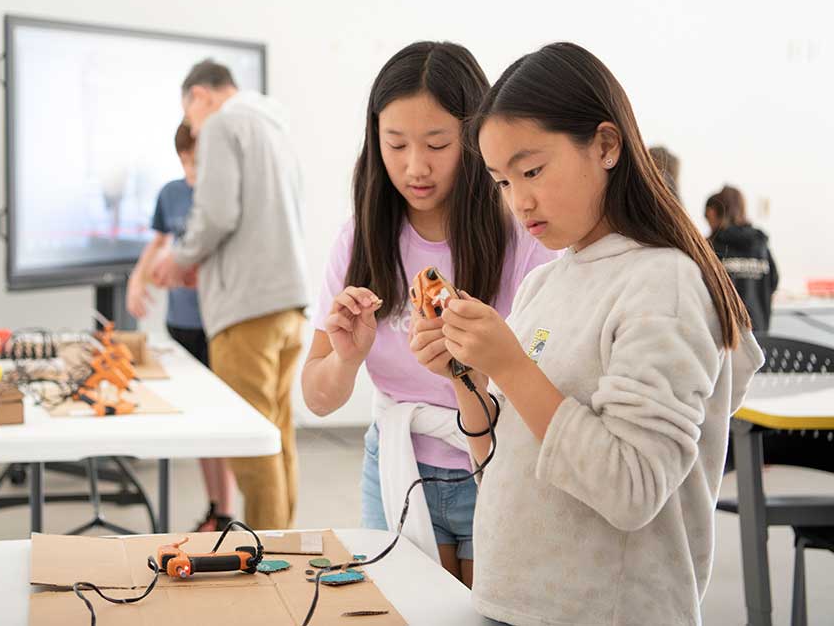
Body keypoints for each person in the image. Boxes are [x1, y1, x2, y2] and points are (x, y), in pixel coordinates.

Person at [410, 42, 763, 625]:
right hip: (513, 605)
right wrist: (469, 377)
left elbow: (632, 488)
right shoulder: (543, 285)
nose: (518, 201)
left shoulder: (664, 282)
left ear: (605, 145)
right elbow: (501, 470)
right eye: (501, 181)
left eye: (532, 171)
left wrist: (514, 368)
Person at [300, 42, 557, 586]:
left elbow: (554, 378)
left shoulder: (524, 236)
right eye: (395, 144)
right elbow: (318, 398)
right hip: (396, 467)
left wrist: (478, 365)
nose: (415, 167)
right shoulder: (361, 241)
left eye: (438, 144)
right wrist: (346, 359)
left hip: (501, 469)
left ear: (476, 139)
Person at [150, 60, 309, 530]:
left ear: (200, 96)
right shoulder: (274, 124)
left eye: (190, 115)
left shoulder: (222, 123)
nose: (193, 129)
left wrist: (178, 260)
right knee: (277, 440)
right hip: (288, 304)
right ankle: (283, 547)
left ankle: (269, 559)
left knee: (250, 449)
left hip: (245, 312)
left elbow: (216, 214)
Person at [126, 122, 236, 532]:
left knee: (220, 423)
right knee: (201, 422)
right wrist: (136, 281)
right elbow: (157, 245)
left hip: (218, 323)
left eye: (199, 160)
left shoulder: (219, 197)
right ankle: (215, 508)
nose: (191, 169)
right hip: (181, 324)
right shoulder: (171, 194)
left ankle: (225, 513)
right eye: (186, 160)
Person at [705, 185, 779, 332]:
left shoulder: (712, 248)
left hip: (725, 342)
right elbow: (774, 283)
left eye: (707, 217)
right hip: (760, 339)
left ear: (713, 213)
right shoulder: (761, 247)